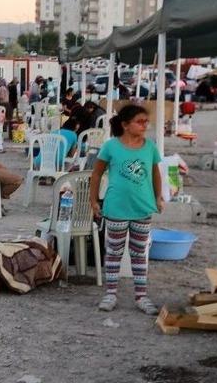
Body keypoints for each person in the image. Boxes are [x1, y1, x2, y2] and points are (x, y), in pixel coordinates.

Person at [90, 104, 163, 315]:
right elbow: (96, 174)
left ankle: (141, 296)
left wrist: (158, 197)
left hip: (142, 208)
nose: (145, 126)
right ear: (125, 124)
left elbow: (156, 174)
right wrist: (93, 201)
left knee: (139, 253)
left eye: (146, 122)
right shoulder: (111, 146)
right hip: (115, 208)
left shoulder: (150, 147)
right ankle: (110, 294)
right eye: (140, 122)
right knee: (114, 252)